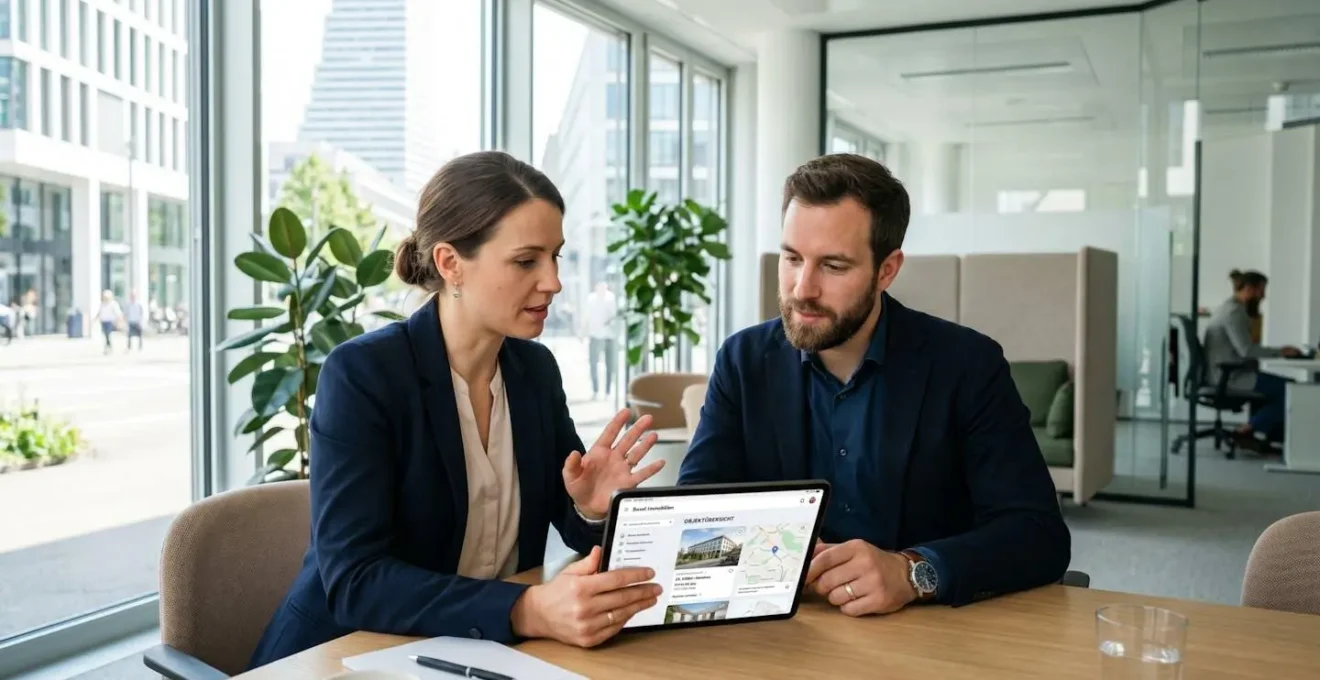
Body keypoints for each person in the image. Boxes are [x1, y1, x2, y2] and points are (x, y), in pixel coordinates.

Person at [248, 151, 667, 668]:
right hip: (344, 655)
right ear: (450, 265)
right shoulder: (364, 376)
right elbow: (356, 581)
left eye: (556, 256)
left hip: (476, 655)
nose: (553, 281)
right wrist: (526, 609)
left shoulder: (533, 372)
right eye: (526, 260)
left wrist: (590, 508)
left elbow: (575, 528)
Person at [678, 154, 1070, 616]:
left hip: (926, 639)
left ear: (887, 270)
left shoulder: (967, 365)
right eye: (792, 258)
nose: (803, 288)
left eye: (834, 266)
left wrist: (911, 572)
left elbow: (1037, 533)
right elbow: (695, 517)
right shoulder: (743, 362)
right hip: (785, 632)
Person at [1203, 269, 1300, 449]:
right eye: (1261, 291)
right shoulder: (1234, 312)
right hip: (1231, 376)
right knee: (1291, 389)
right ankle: (1248, 428)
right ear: (1248, 288)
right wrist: (1281, 352)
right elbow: (1246, 350)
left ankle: (1257, 435)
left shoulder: (1228, 307)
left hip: (1227, 373)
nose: (1263, 296)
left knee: (1282, 387)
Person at [584, 281, 618, 399]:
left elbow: (614, 315)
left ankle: (608, 391)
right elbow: (587, 317)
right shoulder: (591, 299)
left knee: (610, 364)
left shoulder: (611, 298)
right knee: (593, 363)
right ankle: (595, 390)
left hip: (609, 336)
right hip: (595, 335)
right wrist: (585, 332)